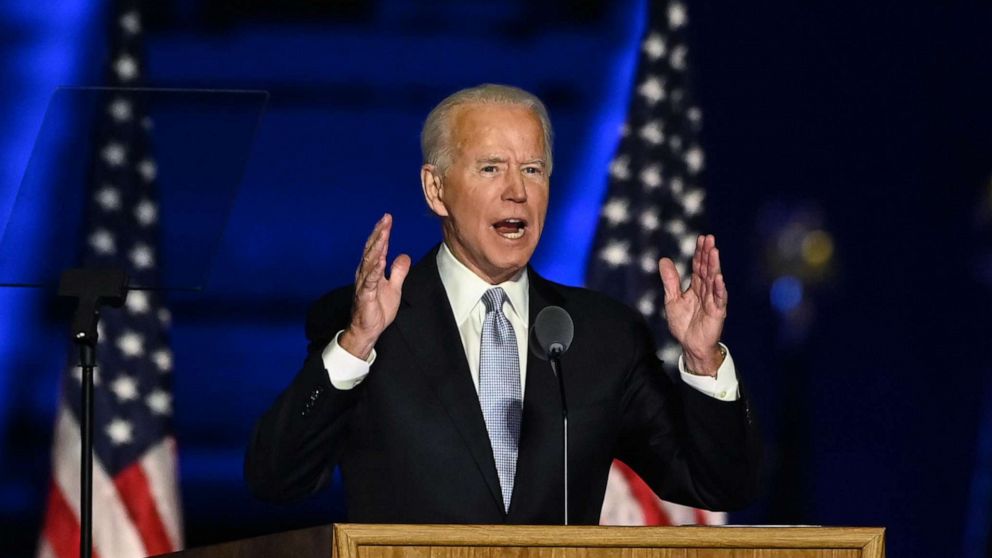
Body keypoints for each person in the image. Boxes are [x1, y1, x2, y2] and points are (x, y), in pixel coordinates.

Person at [245, 84, 760, 524]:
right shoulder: (367, 324)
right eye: (491, 168)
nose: (517, 191)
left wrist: (701, 361)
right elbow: (276, 478)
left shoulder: (602, 336)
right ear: (435, 188)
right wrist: (356, 346)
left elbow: (715, 486)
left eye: (533, 170)